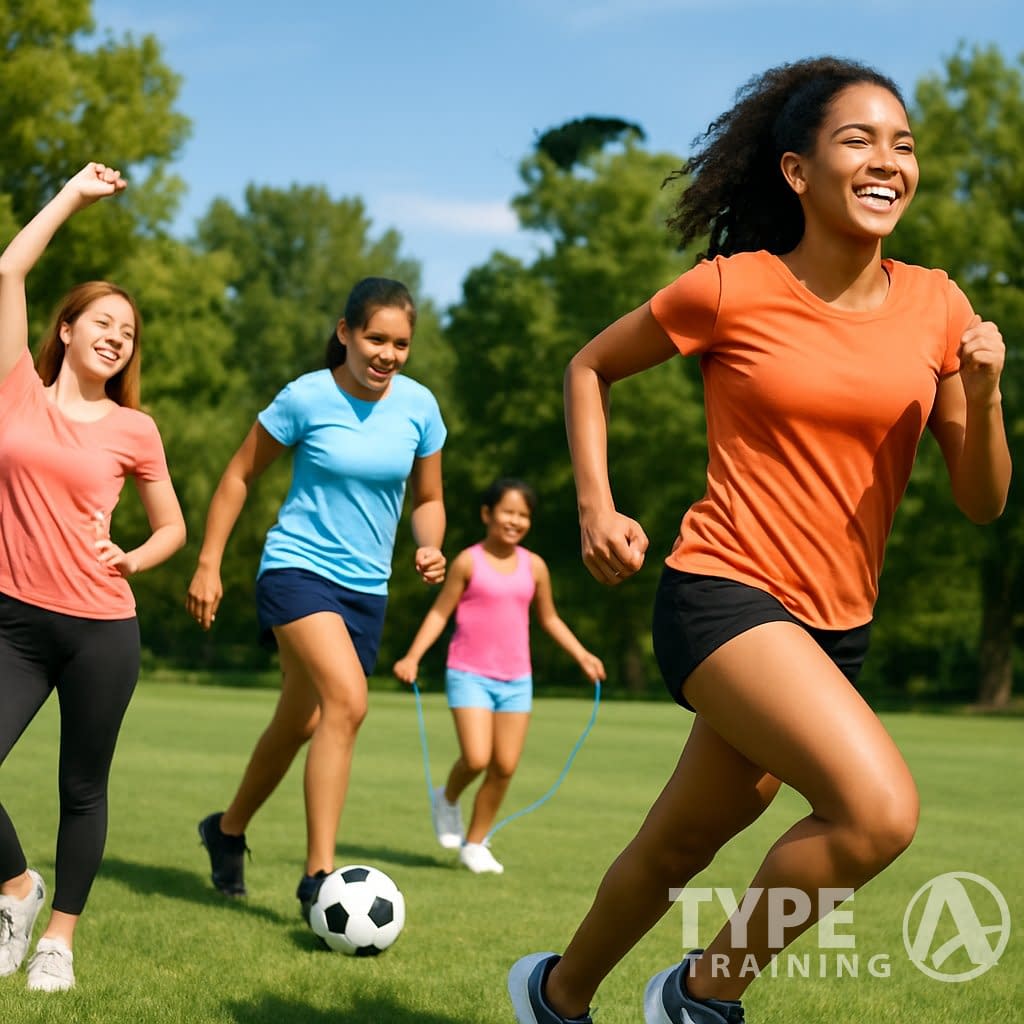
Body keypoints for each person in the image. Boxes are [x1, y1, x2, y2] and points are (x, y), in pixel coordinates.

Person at [508, 56, 1010, 1024]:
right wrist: (594, 506)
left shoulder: (938, 305)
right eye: (856, 139)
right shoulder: (731, 288)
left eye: (900, 144)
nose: (885, 161)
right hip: (722, 593)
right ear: (796, 172)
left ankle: (555, 996)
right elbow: (589, 367)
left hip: (835, 630)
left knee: (678, 844)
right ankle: (700, 998)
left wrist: (984, 393)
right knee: (877, 813)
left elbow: (981, 499)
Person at [186, 276, 447, 915]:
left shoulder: (419, 407)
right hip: (297, 569)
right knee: (348, 703)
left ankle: (226, 830)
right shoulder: (306, 397)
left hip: (367, 589)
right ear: (345, 333)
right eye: (375, 338)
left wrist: (429, 543)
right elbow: (239, 475)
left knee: (302, 719)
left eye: (401, 343)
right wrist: (208, 563)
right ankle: (319, 878)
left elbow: (430, 499)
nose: (387, 354)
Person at [0, 163, 187, 993]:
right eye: (104, 322)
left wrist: (134, 558)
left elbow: (172, 525)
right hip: (12, 620)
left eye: (130, 332)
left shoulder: (135, 428)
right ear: (67, 328)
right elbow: (8, 269)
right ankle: (16, 890)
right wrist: (73, 197)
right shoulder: (17, 394)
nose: (118, 336)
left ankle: (59, 942)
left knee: (83, 786)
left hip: (101, 628)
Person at [394, 478, 606, 874]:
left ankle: (475, 843)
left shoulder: (535, 566)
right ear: (487, 514)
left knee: (505, 766)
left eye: (523, 515)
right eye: (508, 512)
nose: (515, 521)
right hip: (468, 673)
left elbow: (549, 618)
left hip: (516, 680)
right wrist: (412, 656)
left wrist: (582, 654)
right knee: (476, 757)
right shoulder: (468, 561)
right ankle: (448, 798)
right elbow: (441, 612)